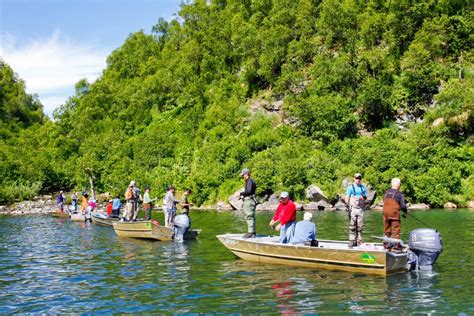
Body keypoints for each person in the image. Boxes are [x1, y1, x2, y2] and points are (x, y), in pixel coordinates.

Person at [383, 178, 408, 249]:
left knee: (386, 229)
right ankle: (396, 246)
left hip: (385, 214)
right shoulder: (400, 194)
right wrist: (405, 212)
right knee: (396, 230)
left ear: (391, 184)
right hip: (394, 214)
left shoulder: (386, 193)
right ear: (399, 185)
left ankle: (385, 245)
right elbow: (403, 206)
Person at [344, 173, 368, 247]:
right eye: (357, 178)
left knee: (360, 226)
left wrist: (363, 198)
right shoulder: (350, 187)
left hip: (360, 209)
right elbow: (346, 197)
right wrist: (347, 204)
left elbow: (365, 197)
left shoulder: (362, 188)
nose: (358, 179)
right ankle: (351, 241)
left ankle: (359, 241)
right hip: (352, 209)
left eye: (360, 178)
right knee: (352, 226)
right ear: (354, 178)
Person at [239, 168, 257, 238]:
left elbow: (249, 191)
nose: (242, 176)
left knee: (249, 216)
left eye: (243, 175)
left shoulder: (249, 181)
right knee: (252, 217)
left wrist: (241, 193)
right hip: (251, 200)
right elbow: (250, 191)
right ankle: (253, 232)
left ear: (246, 174)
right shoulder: (251, 181)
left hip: (249, 201)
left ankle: (250, 232)